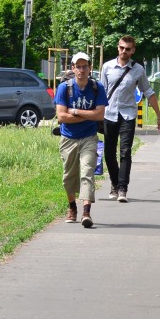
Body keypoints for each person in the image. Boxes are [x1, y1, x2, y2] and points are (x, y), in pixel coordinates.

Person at [101, 35, 160, 203]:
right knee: (109, 153)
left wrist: (159, 116)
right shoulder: (107, 67)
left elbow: (148, 92)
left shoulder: (138, 70)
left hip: (128, 115)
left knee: (125, 152)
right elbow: (101, 93)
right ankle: (114, 183)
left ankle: (122, 188)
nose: (124, 51)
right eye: (122, 48)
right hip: (109, 114)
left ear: (133, 50)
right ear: (118, 48)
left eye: (128, 49)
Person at [55, 51, 107, 227]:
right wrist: (89, 115)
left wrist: (76, 112)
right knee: (69, 176)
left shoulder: (97, 87)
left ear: (90, 68)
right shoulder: (64, 88)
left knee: (87, 173)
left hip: (89, 138)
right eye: (78, 67)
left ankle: (86, 213)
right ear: (73, 68)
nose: (82, 70)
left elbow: (100, 115)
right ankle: (72, 207)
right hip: (68, 138)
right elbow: (61, 117)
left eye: (85, 66)